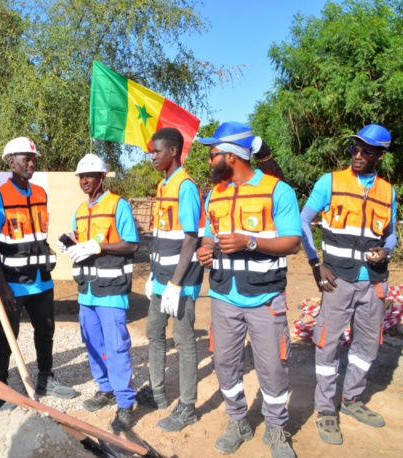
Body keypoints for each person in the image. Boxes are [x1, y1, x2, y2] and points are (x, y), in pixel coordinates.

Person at [195, 121, 300, 458]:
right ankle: (238, 421)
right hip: (223, 295)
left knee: (272, 366)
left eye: (213, 155)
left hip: (265, 297)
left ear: (232, 155)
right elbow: (209, 233)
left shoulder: (277, 191)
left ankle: (276, 428)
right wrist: (205, 248)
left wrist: (250, 241)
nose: (209, 161)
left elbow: (293, 242)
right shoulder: (214, 193)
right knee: (225, 363)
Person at [300, 124, 396, 446]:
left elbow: (392, 234)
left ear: (380, 155)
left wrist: (386, 250)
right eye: (354, 149)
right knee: (328, 342)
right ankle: (326, 409)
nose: (357, 155)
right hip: (338, 279)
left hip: (375, 283)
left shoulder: (388, 191)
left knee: (367, 348)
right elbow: (302, 221)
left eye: (366, 151)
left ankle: (352, 399)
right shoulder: (330, 182)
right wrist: (316, 263)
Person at [0, 137, 77, 404]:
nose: (31, 163)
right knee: (7, 335)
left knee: (46, 330)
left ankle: (45, 378)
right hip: (13, 282)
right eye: (26, 158)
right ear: (11, 162)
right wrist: (3, 286)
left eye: (34, 158)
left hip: (41, 279)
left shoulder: (40, 193)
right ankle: (0, 387)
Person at [60, 154, 138, 432]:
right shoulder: (81, 210)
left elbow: (131, 244)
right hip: (87, 292)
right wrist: (72, 244)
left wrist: (99, 247)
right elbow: (81, 243)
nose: (84, 181)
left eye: (90, 176)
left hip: (112, 291)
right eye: (81, 176)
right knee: (93, 343)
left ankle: (125, 402)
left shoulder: (119, 205)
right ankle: (104, 388)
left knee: (116, 345)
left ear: (102, 177)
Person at [134, 127, 204, 434]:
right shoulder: (164, 185)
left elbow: (191, 238)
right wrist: (153, 273)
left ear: (173, 151)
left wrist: (176, 283)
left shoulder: (185, 186)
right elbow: (164, 236)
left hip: (181, 282)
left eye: (156, 152)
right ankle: (158, 392)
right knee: (154, 332)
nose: (152, 157)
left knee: (185, 341)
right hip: (161, 279)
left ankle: (188, 406)